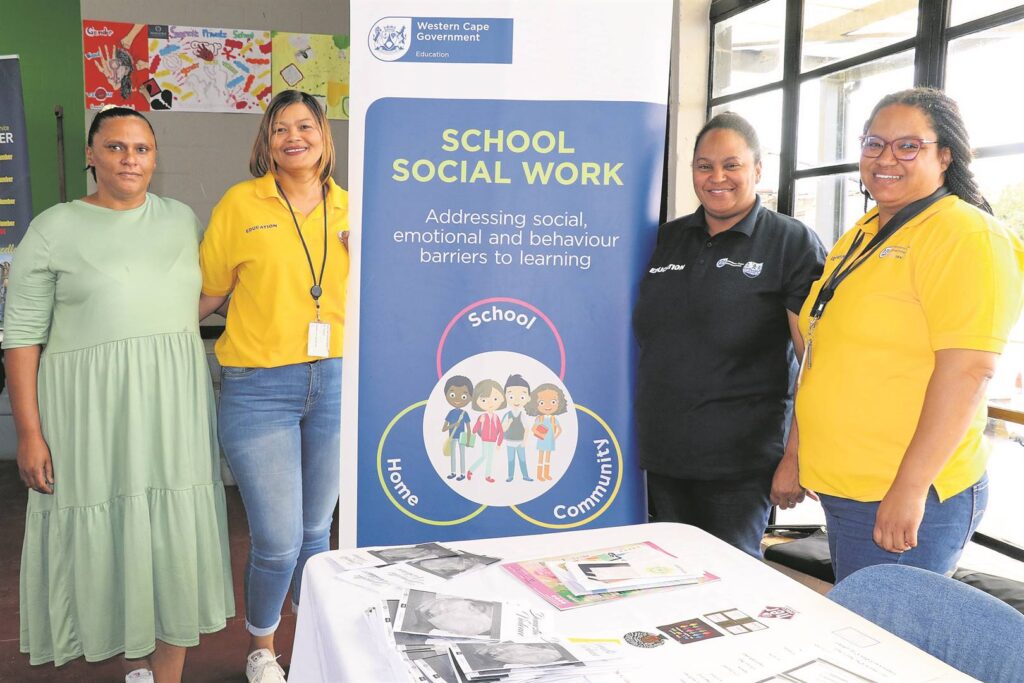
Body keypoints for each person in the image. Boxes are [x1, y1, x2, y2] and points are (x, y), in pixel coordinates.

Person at [4, 106, 234, 682]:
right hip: (88, 413)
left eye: (141, 149)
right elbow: (22, 337)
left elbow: (190, 300)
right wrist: (29, 434)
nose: (129, 159)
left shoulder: (182, 218)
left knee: (171, 536)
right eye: (115, 147)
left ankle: (166, 676)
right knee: (108, 530)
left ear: (156, 158)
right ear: (91, 154)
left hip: (171, 405)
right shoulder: (53, 228)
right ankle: (133, 658)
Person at [795, 88, 1024, 582]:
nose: (885, 158)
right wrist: (799, 452)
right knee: (862, 629)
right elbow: (822, 353)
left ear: (945, 155)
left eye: (908, 146)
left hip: (901, 493)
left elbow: (969, 370)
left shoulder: (965, 235)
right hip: (851, 486)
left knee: (886, 642)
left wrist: (910, 488)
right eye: (874, 144)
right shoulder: (865, 232)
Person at [198, 89, 349, 683]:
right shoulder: (241, 202)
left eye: (305, 125)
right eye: (280, 127)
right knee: (279, 539)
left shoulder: (351, 208)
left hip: (335, 382)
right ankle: (262, 648)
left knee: (318, 533)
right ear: (267, 141)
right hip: (259, 390)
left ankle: (312, 641)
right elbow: (208, 291)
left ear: (323, 137)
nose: (294, 136)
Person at [633, 111, 826, 557]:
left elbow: (815, 363)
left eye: (732, 165)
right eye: (704, 166)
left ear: (757, 170)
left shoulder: (791, 243)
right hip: (662, 460)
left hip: (739, 469)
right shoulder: (667, 239)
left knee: (729, 590)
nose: (717, 177)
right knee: (665, 579)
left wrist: (796, 457)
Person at [525, 383, 567, 481]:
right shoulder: (540, 418)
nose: (548, 406)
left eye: (553, 402)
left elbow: (560, 430)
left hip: (550, 441)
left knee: (547, 458)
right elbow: (533, 428)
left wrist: (554, 437)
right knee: (541, 458)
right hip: (542, 440)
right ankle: (539, 475)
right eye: (542, 403)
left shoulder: (553, 419)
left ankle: (546, 474)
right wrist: (539, 434)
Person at [467, 379, 505, 483]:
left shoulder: (496, 418)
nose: (490, 403)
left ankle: (487, 476)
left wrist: (499, 443)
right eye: (484, 400)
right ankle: (471, 470)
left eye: (495, 399)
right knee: (484, 456)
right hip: (485, 440)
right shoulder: (482, 416)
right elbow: (474, 430)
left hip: (493, 441)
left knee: (490, 459)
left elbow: (501, 431)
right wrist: (479, 422)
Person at [501, 374, 533, 482]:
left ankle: (525, 475)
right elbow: (502, 429)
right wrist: (508, 424)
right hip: (509, 442)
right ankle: (510, 476)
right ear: (505, 396)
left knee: (522, 460)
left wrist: (524, 441)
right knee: (511, 460)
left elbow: (527, 429)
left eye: (522, 397)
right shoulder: (507, 415)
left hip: (520, 442)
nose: (516, 400)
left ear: (528, 398)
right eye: (511, 397)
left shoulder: (522, 415)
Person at [441, 375, 473, 480]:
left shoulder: (465, 413)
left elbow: (468, 428)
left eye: (463, 396)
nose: (458, 399)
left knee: (462, 455)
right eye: (453, 395)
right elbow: (444, 429)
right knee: (453, 455)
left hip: (462, 437)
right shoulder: (450, 413)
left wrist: (469, 440)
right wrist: (453, 425)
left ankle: (462, 474)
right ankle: (453, 472)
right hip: (452, 437)